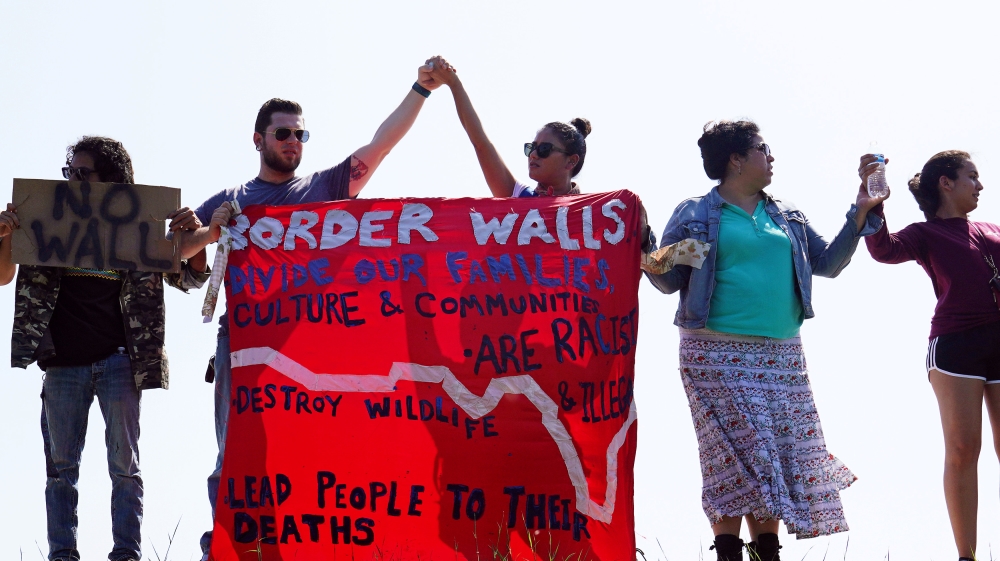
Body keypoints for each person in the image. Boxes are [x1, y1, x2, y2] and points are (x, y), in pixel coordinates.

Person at [178, 59, 444, 559]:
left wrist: (420, 91)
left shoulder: (323, 189)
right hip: (243, 344)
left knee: (306, 448)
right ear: (258, 139)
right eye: (283, 133)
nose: (294, 141)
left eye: (301, 133)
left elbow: (380, 145)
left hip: (308, 346)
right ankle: (228, 545)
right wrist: (212, 230)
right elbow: (177, 253)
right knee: (235, 451)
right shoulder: (231, 199)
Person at [644, 121, 885, 561]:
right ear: (736, 159)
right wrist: (647, 251)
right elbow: (667, 279)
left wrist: (861, 212)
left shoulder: (785, 213)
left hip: (782, 355)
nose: (771, 157)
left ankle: (766, 554)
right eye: (763, 149)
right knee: (734, 451)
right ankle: (730, 553)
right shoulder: (694, 212)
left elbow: (828, 263)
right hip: (713, 350)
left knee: (769, 451)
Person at [0, 136, 209, 561]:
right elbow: (3, 276)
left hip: (120, 361)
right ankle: (63, 553)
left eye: (83, 173)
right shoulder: (47, 218)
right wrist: (4, 234)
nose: (73, 180)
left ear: (110, 180)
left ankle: (125, 553)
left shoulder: (139, 222)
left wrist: (194, 235)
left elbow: (188, 278)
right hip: (61, 364)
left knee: (125, 468)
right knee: (60, 469)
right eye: (69, 173)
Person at [864, 151, 999, 561]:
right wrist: (875, 201)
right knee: (963, 449)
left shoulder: (992, 229)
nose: (979, 185)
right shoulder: (926, 234)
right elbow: (883, 250)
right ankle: (967, 556)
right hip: (956, 345)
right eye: (971, 177)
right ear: (946, 182)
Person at [425, 56, 591, 197]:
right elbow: (481, 144)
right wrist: (453, 83)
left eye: (544, 149)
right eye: (531, 148)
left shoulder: (594, 211)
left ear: (571, 161)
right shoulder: (519, 198)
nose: (533, 155)